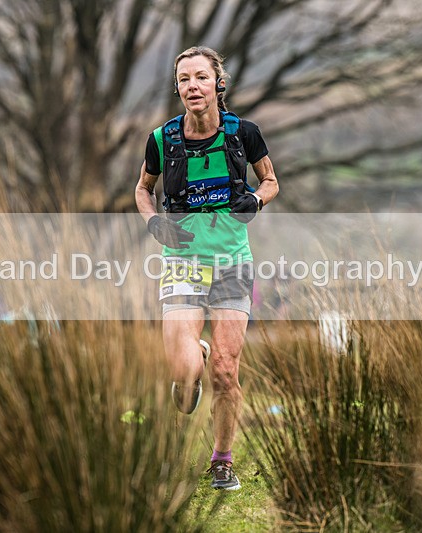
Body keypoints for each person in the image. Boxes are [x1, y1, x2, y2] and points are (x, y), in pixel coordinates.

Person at [134, 46, 279, 490]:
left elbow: (271, 181)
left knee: (226, 370)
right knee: (184, 377)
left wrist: (255, 200)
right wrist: (155, 223)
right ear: (177, 88)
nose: (191, 86)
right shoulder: (162, 140)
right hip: (182, 263)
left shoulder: (244, 134)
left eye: (200, 77)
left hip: (232, 264)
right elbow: (143, 189)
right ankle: (191, 355)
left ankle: (222, 460)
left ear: (218, 83)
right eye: (183, 79)